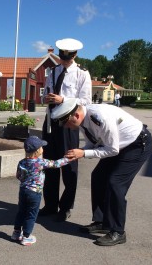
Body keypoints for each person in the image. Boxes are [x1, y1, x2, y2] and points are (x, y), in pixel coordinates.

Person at [51, 98, 152, 246]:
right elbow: (94, 143)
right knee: (98, 177)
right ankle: (103, 222)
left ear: (76, 116)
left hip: (136, 145)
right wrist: (79, 152)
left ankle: (118, 232)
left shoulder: (100, 118)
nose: (66, 127)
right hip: (119, 146)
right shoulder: (83, 120)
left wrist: (83, 154)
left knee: (115, 183)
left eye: (66, 122)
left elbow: (112, 150)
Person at [40, 38, 92, 221]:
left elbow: (86, 101)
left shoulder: (81, 74)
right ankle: (51, 204)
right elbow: (45, 93)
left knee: (69, 164)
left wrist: (64, 100)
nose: (64, 61)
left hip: (69, 122)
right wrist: (46, 98)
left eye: (68, 59)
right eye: (62, 58)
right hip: (50, 122)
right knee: (50, 163)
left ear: (75, 55)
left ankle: (66, 207)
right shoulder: (53, 71)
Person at [11, 136, 70, 246]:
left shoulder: (22, 162)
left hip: (23, 191)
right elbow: (56, 164)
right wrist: (68, 159)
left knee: (21, 212)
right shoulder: (40, 162)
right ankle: (26, 237)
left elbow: (18, 176)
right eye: (42, 147)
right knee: (31, 215)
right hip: (34, 193)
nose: (43, 148)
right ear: (38, 150)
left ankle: (16, 232)